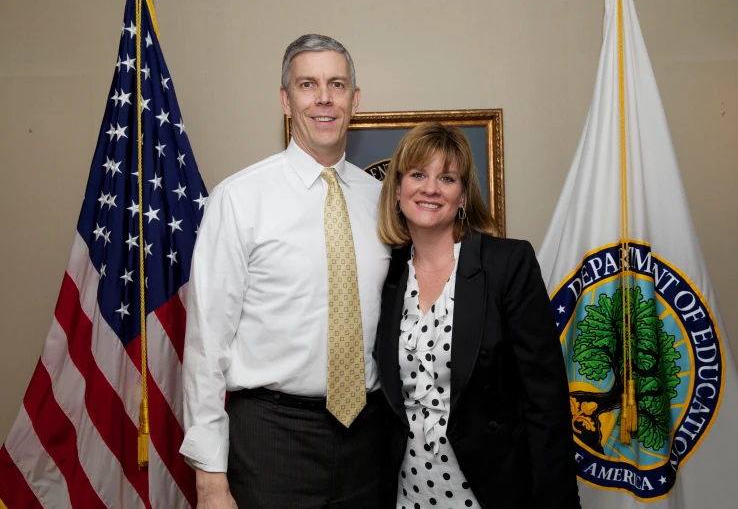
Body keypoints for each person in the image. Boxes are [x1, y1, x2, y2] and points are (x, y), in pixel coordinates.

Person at [179, 34, 391, 509]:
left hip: (369, 440)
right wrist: (210, 480)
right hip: (271, 439)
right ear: (285, 98)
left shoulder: (382, 202)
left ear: (354, 100)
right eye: (307, 84)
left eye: (337, 84)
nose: (323, 98)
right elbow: (206, 345)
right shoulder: (238, 199)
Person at [375, 122, 580, 508]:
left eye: (447, 178)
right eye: (418, 174)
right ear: (398, 188)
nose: (431, 188)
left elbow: (546, 401)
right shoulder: (383, 274)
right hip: (406, 493)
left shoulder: (507, 264)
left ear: (463, 196)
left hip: (489, 492)